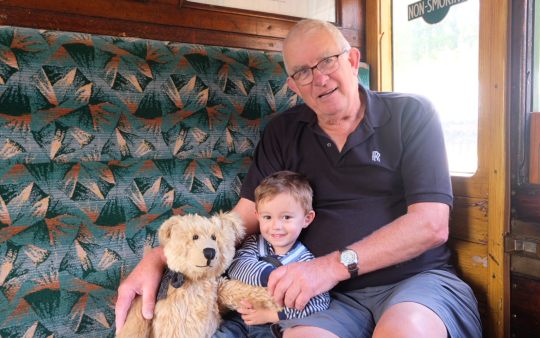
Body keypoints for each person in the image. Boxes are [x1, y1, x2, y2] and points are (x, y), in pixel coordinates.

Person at [116, 18, 482, 338]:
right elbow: (244, 218)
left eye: (327, 61)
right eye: (303, 72)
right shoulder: (284, 131)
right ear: (294, 85)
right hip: (325, 299)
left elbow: (431, 225)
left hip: (414, 282)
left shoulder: (411, 114)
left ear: (352, 61)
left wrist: (328, 268)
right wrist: (161, 256)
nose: (319, 78)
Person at [215, 170, 330, 337]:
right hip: (240, 317)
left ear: (307, 219)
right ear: (257, 216)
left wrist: (272, 315)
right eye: (268, 217)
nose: (276, 226)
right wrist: (274, 277)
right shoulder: (254, 243)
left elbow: (319, 304)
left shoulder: (305, 262)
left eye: (286, 217)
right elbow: (236, 266)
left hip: (273, 324)